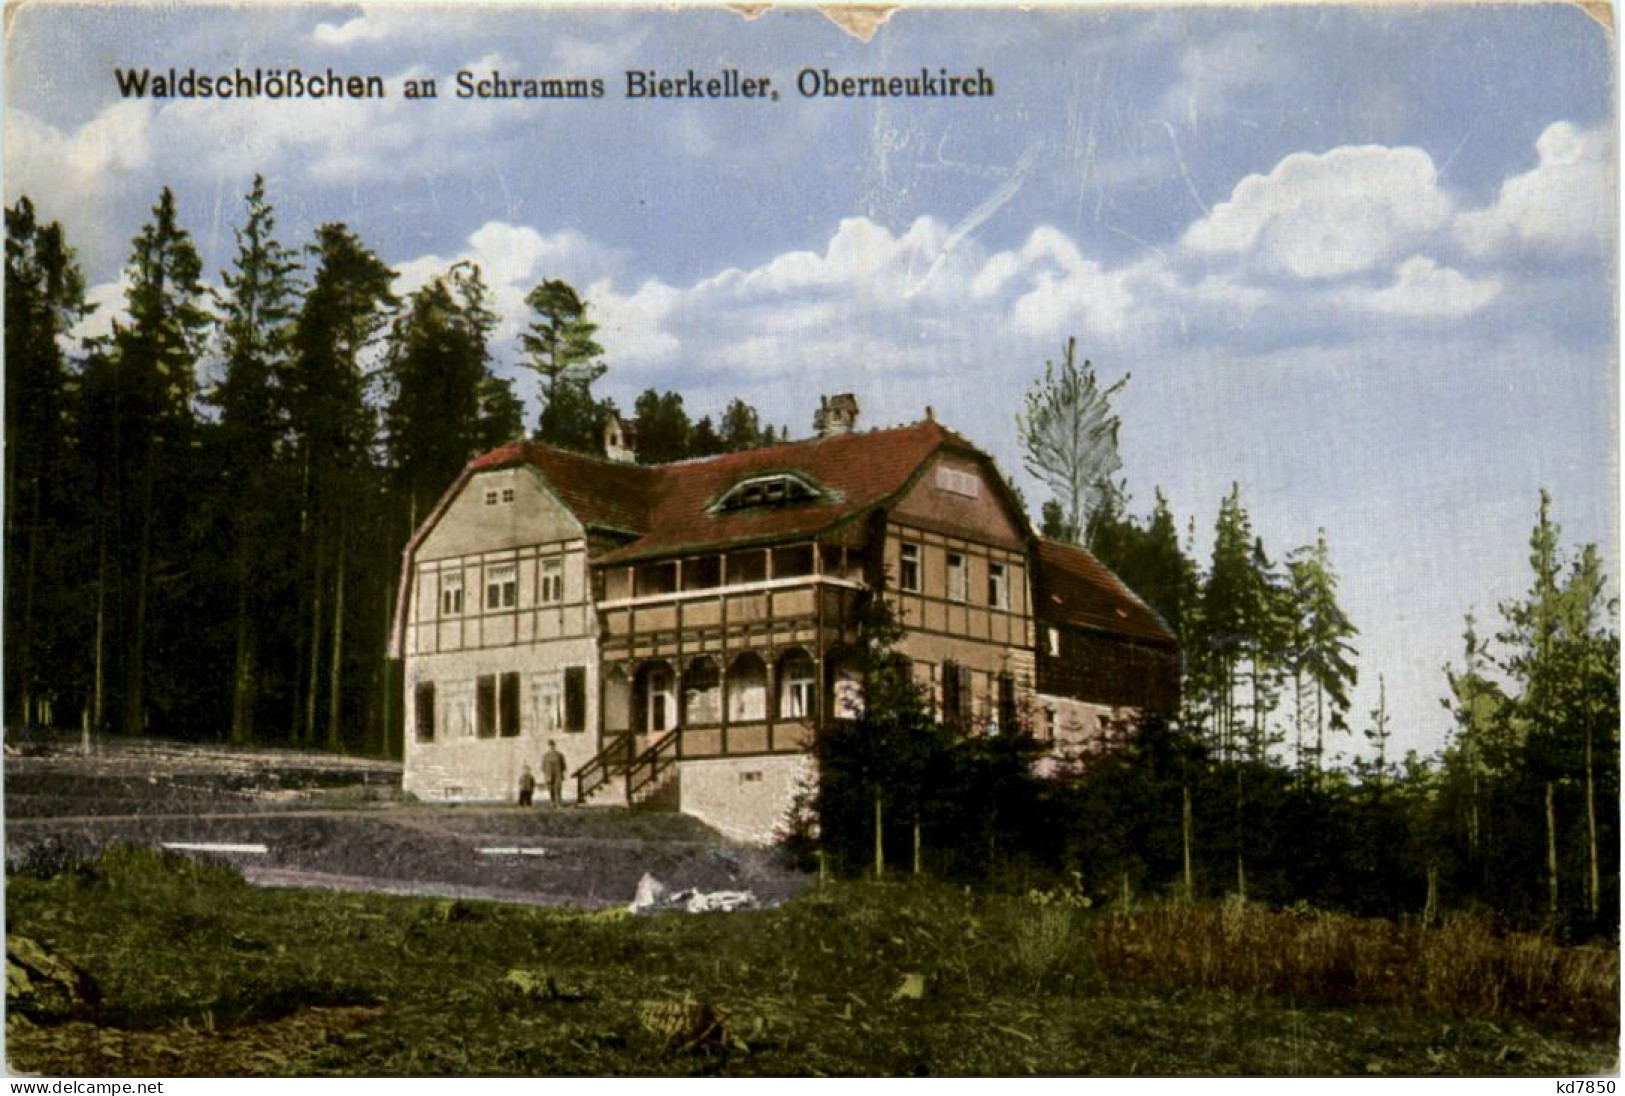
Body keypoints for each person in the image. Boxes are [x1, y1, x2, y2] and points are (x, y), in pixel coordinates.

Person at [541, 740, 567, 808]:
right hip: (549, 774)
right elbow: (543, 767)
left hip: (557, 774)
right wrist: (546, 774)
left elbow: (563, 766)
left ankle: (559, 803)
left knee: (558, 788)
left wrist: (561, 773)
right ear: (548, 746)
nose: (551, 747)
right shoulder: (545, 756)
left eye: (552, 745)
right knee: (551, 789)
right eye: (550, 745)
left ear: (555, 746)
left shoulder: (559, 755)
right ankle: (552, 802)